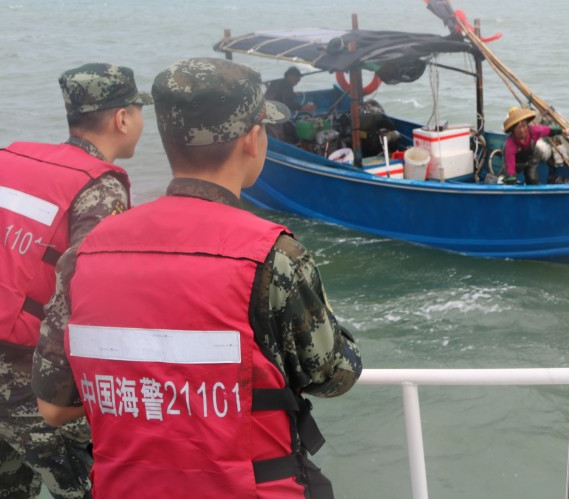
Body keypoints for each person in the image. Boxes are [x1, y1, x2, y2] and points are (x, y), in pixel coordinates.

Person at [35, 58, 361, 498]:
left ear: (167, 138)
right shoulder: (274, 256)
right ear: (252, 139)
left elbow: (54, 406)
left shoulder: (84, 255)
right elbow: (334, 375)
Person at [2, 63, 150, 499]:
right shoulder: (100, 188)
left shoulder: (12, 158)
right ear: (122, 118)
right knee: (97, 487)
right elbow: (93, 291)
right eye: (139, 111)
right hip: (27, 381)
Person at [501, 106, 562, 185]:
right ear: (513, 130)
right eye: (518, 128)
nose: (522, 130)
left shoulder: (533, 131)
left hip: (531, 159)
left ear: (527, 125)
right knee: (510, 179)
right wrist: (511, 175)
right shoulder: (510, 143)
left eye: (524, 126)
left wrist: (561, 131)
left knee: (533, 179)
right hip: (516, 162)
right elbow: (510, 164)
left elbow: (547, 130)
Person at [265, 66, 316, 140]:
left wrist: (292, 94)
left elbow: (278, 94)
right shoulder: (287, 85)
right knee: (278, 135)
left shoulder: (277, 81)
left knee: (269, 132)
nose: (296, 83)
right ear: (291, 76)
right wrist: (303, 108)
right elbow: (288, 102)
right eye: (296, 80)